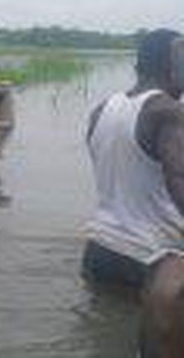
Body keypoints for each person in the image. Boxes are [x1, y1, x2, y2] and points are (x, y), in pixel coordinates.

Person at [80, 29, 184, 357]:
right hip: (154, 261)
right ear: (172, 65)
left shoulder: (102, 108)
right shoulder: (167, 112)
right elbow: (180, 181)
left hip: (100, 255)